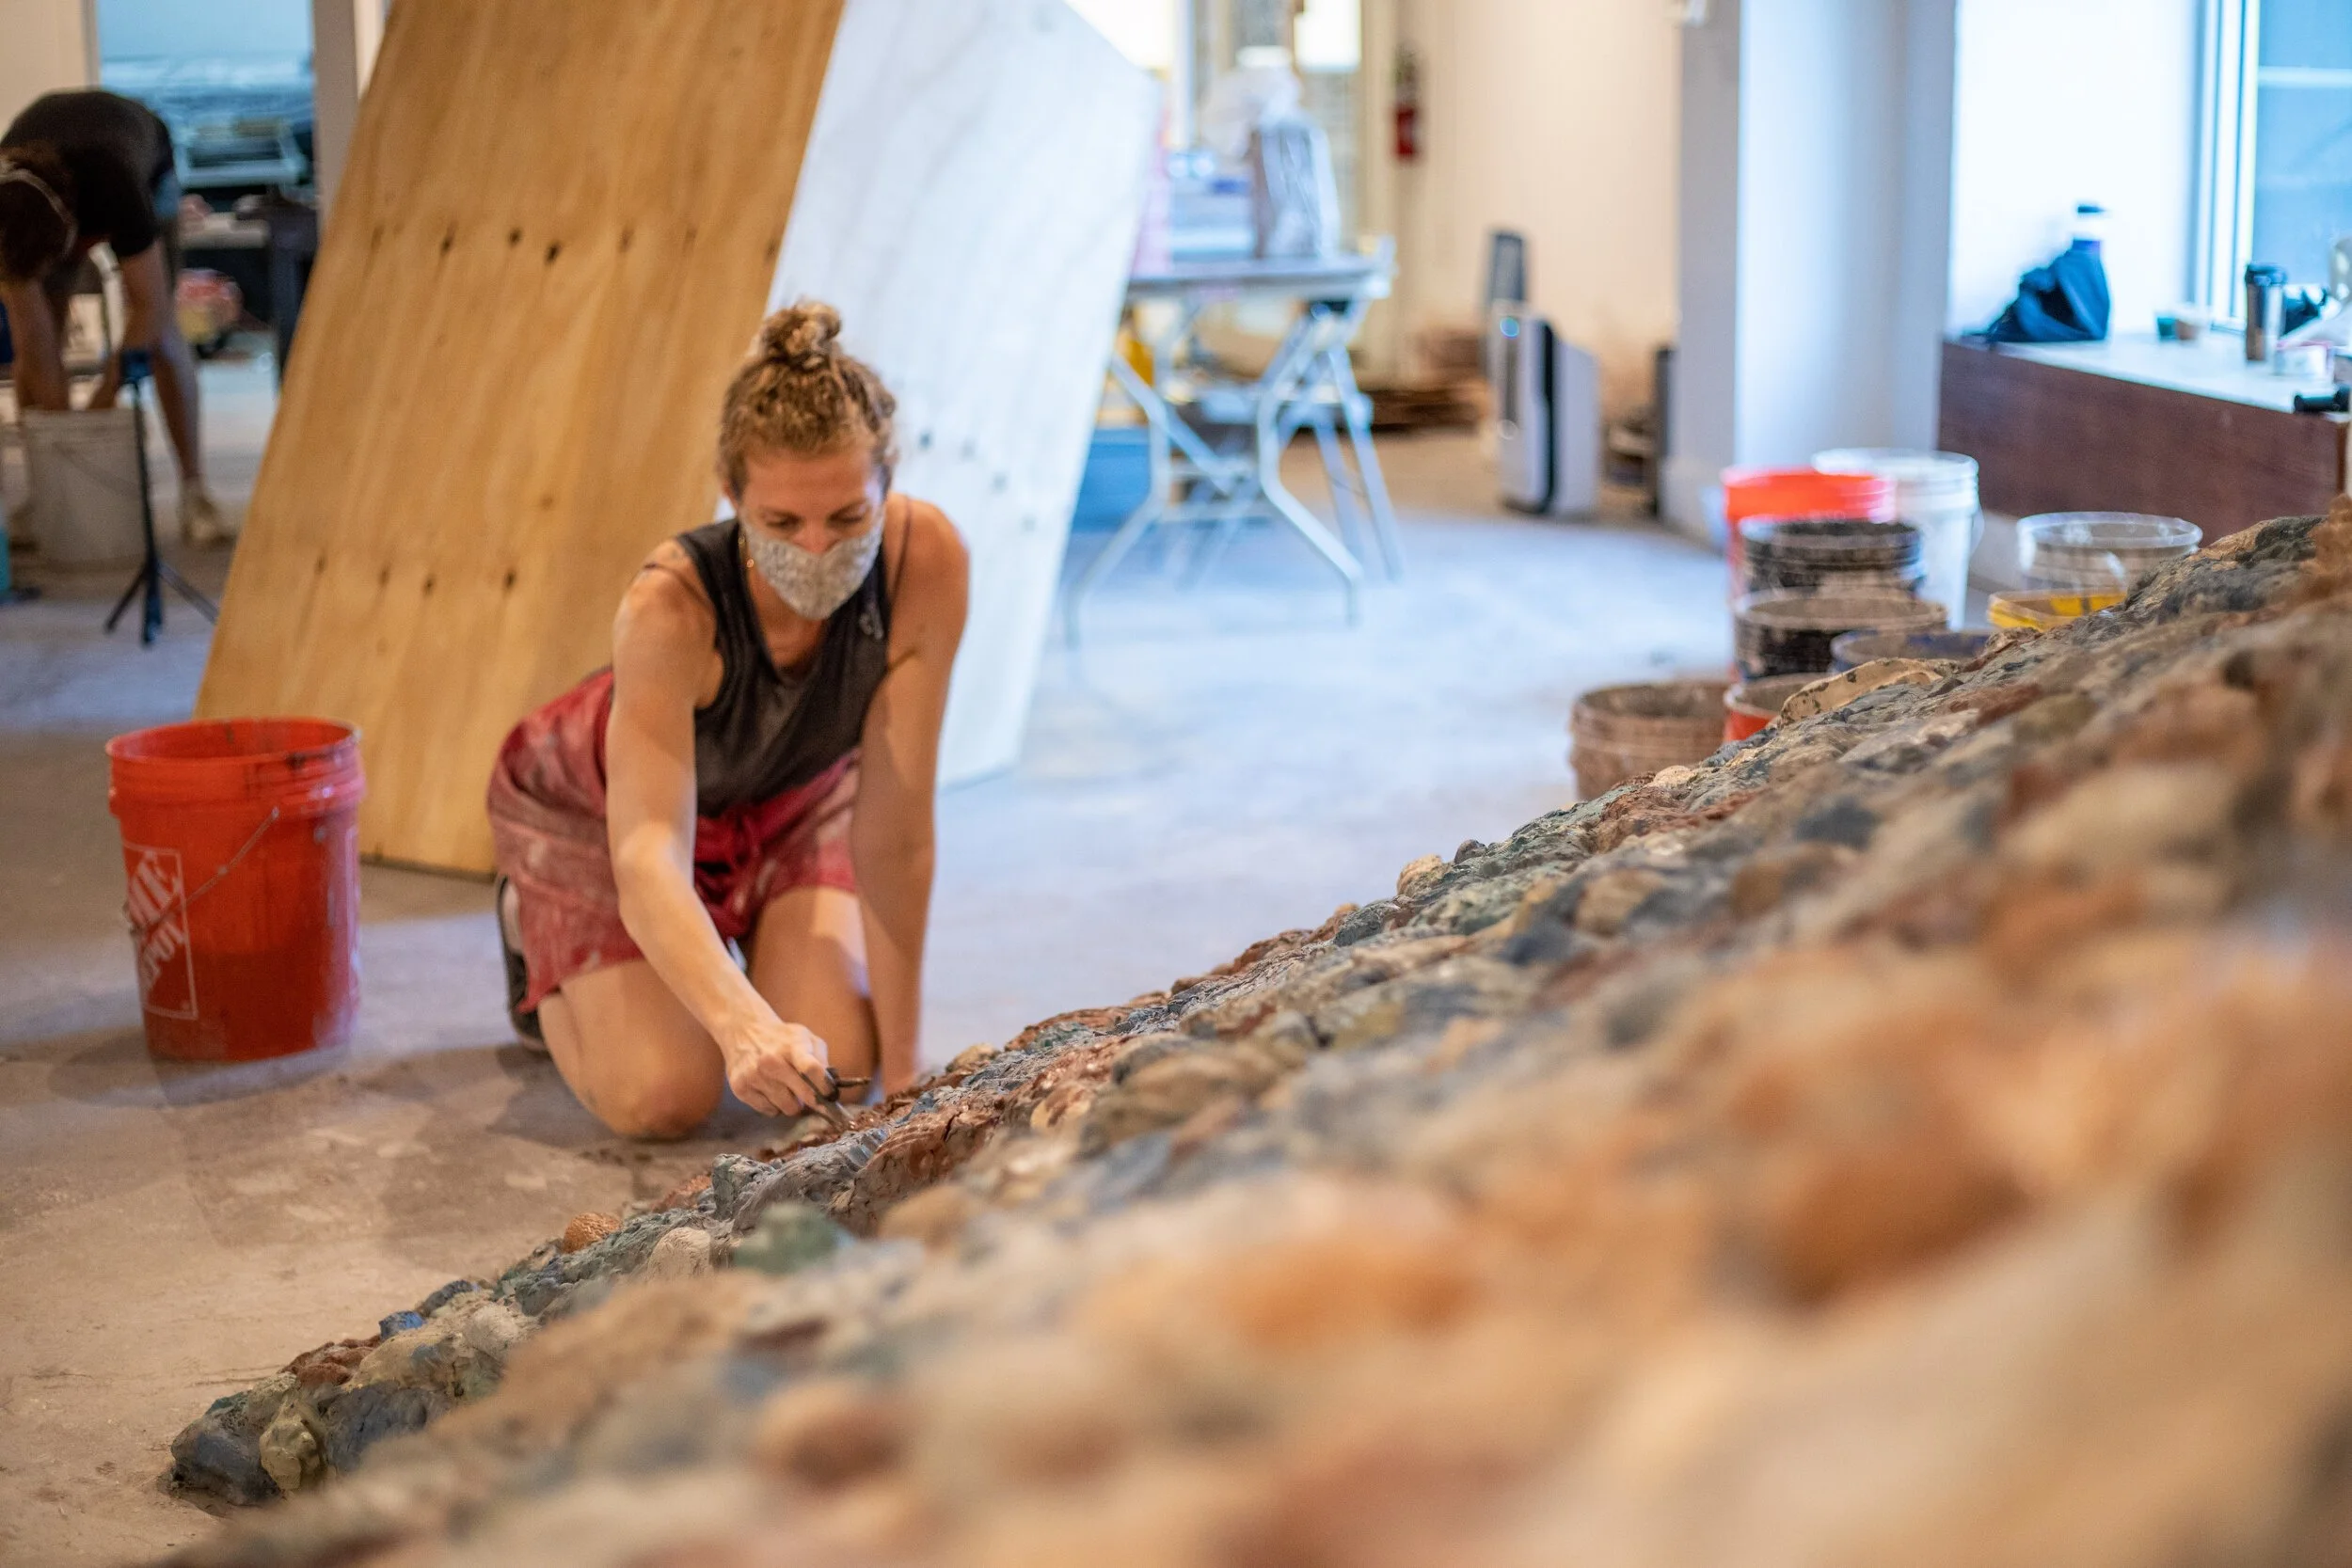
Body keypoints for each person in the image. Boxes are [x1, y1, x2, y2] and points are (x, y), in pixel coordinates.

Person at [486, 302, 969, 1139]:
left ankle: (731, 942)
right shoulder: (669, 607)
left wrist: (905, 1078)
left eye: (848, 517)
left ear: (887, 482)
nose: (816, 550)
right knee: (666, 1093)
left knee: (839, 1058)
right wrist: (743, 1024)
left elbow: (895, 835)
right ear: (731, 494)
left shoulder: (924, 560)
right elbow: (647, 853)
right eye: (782, 523)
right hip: (605, 811)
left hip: (788, 793)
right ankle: (533, 930)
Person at [0, 89, 227, 543]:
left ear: (73, 235)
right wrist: (68, 450)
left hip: (142, 158)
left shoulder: (115, 183)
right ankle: (51, 492)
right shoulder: (6, 219)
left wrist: (105, 397)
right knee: (40, 341)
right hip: (44, 202)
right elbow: (34, 341)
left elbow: (151, 307)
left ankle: (194, 491)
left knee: (163, 339)